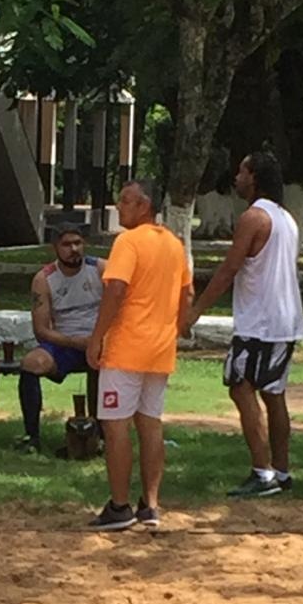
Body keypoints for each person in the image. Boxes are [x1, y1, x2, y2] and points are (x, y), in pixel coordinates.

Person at [186, 152, 303, 497]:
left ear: (254, 177)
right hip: (285, 319)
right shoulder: (286, 219)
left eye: (241, 171)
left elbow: (228, 270)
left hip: (260, 322)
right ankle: (281, 472)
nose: (236, 177)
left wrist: (195, 311)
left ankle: (262, 473)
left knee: (240, 386)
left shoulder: (254, 217)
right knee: (274, 393)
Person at [87, 180, 193, 530]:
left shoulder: (128, 242)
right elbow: (187, 294)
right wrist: (173, 331)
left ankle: (119, 506)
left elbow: (116, 288)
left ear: (144, 205)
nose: (120, 207)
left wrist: (97, 336)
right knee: (150, 423)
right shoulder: (174, 245)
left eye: (126, 201)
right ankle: (150, 504)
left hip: (126, 348)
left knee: (115, 426)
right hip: (160, 350)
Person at [16, 224, 106, 453]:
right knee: (31, 363)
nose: (73, 249)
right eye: (67, 244)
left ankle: (101, 433)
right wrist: (76, 342)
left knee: (102, 361)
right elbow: (41, 330)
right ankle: (32, 437)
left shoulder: (100, 269)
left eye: (78, 243)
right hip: (64, 342)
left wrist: (97, 339)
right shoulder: (44, 279)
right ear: (55, 247)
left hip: (99, 341)